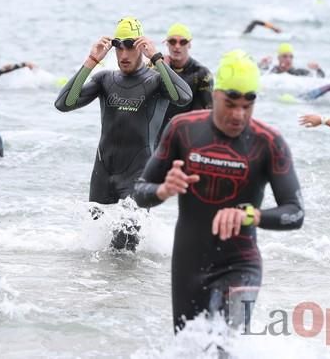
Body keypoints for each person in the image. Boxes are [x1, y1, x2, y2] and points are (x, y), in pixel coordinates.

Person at [133, 50, 304, 333]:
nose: (239, 115)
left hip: (240, 264)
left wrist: (251, 215)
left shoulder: (268, 142)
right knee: (188, 349)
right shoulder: (182, 130)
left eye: (248, 106)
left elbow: (295, 212)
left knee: (224, 345)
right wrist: (163, 190)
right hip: (189, 264)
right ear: (215, 95)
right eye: (231, 103)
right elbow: (140, 192)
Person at [55, 17, 192, 250]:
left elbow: (183, 96)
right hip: (103, 173)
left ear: (141, 46)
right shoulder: (104, 79)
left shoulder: (156, 81)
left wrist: (156, 58)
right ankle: (97, 288)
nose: (123, 54)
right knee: (93, 248)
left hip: (139, 174)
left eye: (130, 46)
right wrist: (92, 61)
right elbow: (63, 103)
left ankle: (128, 287)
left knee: (124, 248)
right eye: (119, 47)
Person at [156, 23, 212, 140]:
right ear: (166, 43)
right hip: (158, 134)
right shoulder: (157, 68)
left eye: (182, 42)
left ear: (189, 44)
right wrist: (162, 69)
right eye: (172, 41)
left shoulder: (201, 73)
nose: (177, 46)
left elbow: (208, 111)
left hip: (186, 135)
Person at [259, 43, 325, 77]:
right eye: (284, 56)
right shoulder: (272, 70)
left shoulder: (298, 72)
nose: (288, 59)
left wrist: (318, 69)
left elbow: (320, 79)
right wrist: (261, 64)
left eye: (291, 57)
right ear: (279, 58)